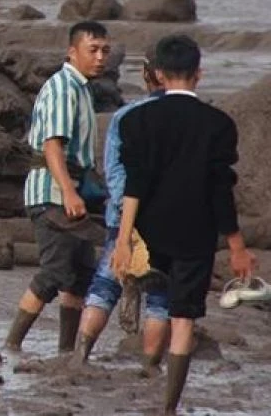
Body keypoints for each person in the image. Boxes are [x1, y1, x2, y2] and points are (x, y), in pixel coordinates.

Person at [111, 35, 255, 416]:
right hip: (195, 236)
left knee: (157, 303)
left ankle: (146, 360)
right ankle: (169, 407)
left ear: (157, 73)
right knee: (184, 318)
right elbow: (220, 190)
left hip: (149, 233)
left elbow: (134, 184)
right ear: (199, 74)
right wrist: (237, 245)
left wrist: (123, 240)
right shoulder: (218, 125)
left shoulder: (137, 121)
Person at [5, 22, 111, 354]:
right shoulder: (64, 87)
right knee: (54, 271)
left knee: (80, 274)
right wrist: (68, 191)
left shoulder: (81, 88)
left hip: (67, 190)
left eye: (104, 51)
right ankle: (12, 344)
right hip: (51, 194)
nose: (100, 57)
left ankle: (67, 351)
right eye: (92, 50)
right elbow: (53, 145)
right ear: (72, 51)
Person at [71, 54, 168, 371]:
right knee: (160, 298)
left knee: (104, 287)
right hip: (167, 223)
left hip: (123, 218)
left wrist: (125, 211)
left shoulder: (126, 117)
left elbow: (113, 173)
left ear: (146, 75)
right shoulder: (189, 118)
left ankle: (79, 357)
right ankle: (150, 368)